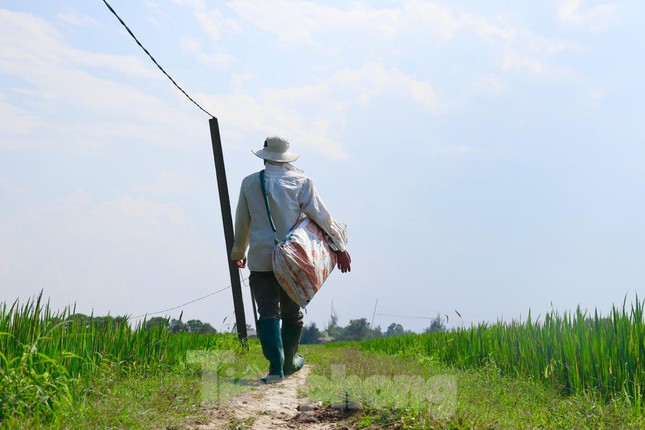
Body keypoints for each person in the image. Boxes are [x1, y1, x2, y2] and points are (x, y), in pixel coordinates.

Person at [231, 136, 351, 383]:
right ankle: (290, 361)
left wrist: (238, 252)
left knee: (267, 312)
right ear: (286, 158)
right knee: (292, 312)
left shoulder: (249, 183)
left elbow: (242, 222)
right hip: (293, 260)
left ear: (264, 156)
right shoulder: (301, 182)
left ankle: (275, 369)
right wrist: (339, 247)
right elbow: (321, 217)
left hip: (261, 258)